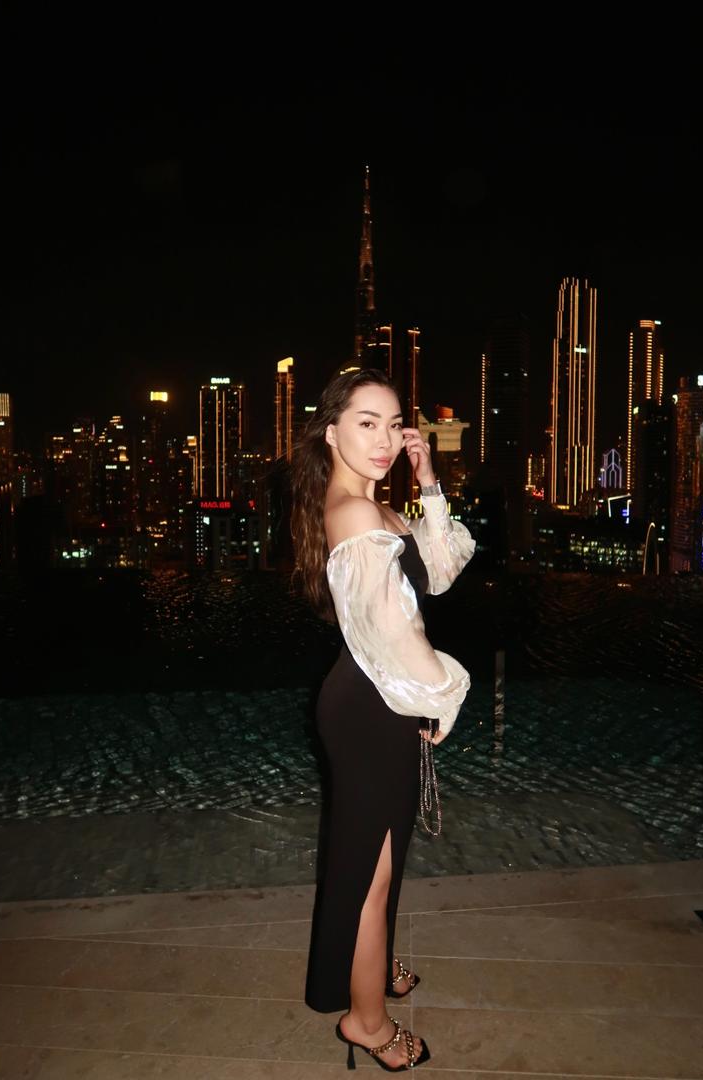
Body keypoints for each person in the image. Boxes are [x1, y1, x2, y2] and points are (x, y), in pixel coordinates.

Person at [290, 367, 475, 1071]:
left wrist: (428, 482)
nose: (385, 439)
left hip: (377, 695)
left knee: (380, 859)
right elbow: (392, 632)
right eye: (366, 423)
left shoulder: (376, 508)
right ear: (331, 432)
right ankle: (366, 1022)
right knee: (372, 872)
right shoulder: (355, 514)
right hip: (373, 704)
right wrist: (444, 693)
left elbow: (442, 571)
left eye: (394, 425)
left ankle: (372, 959)